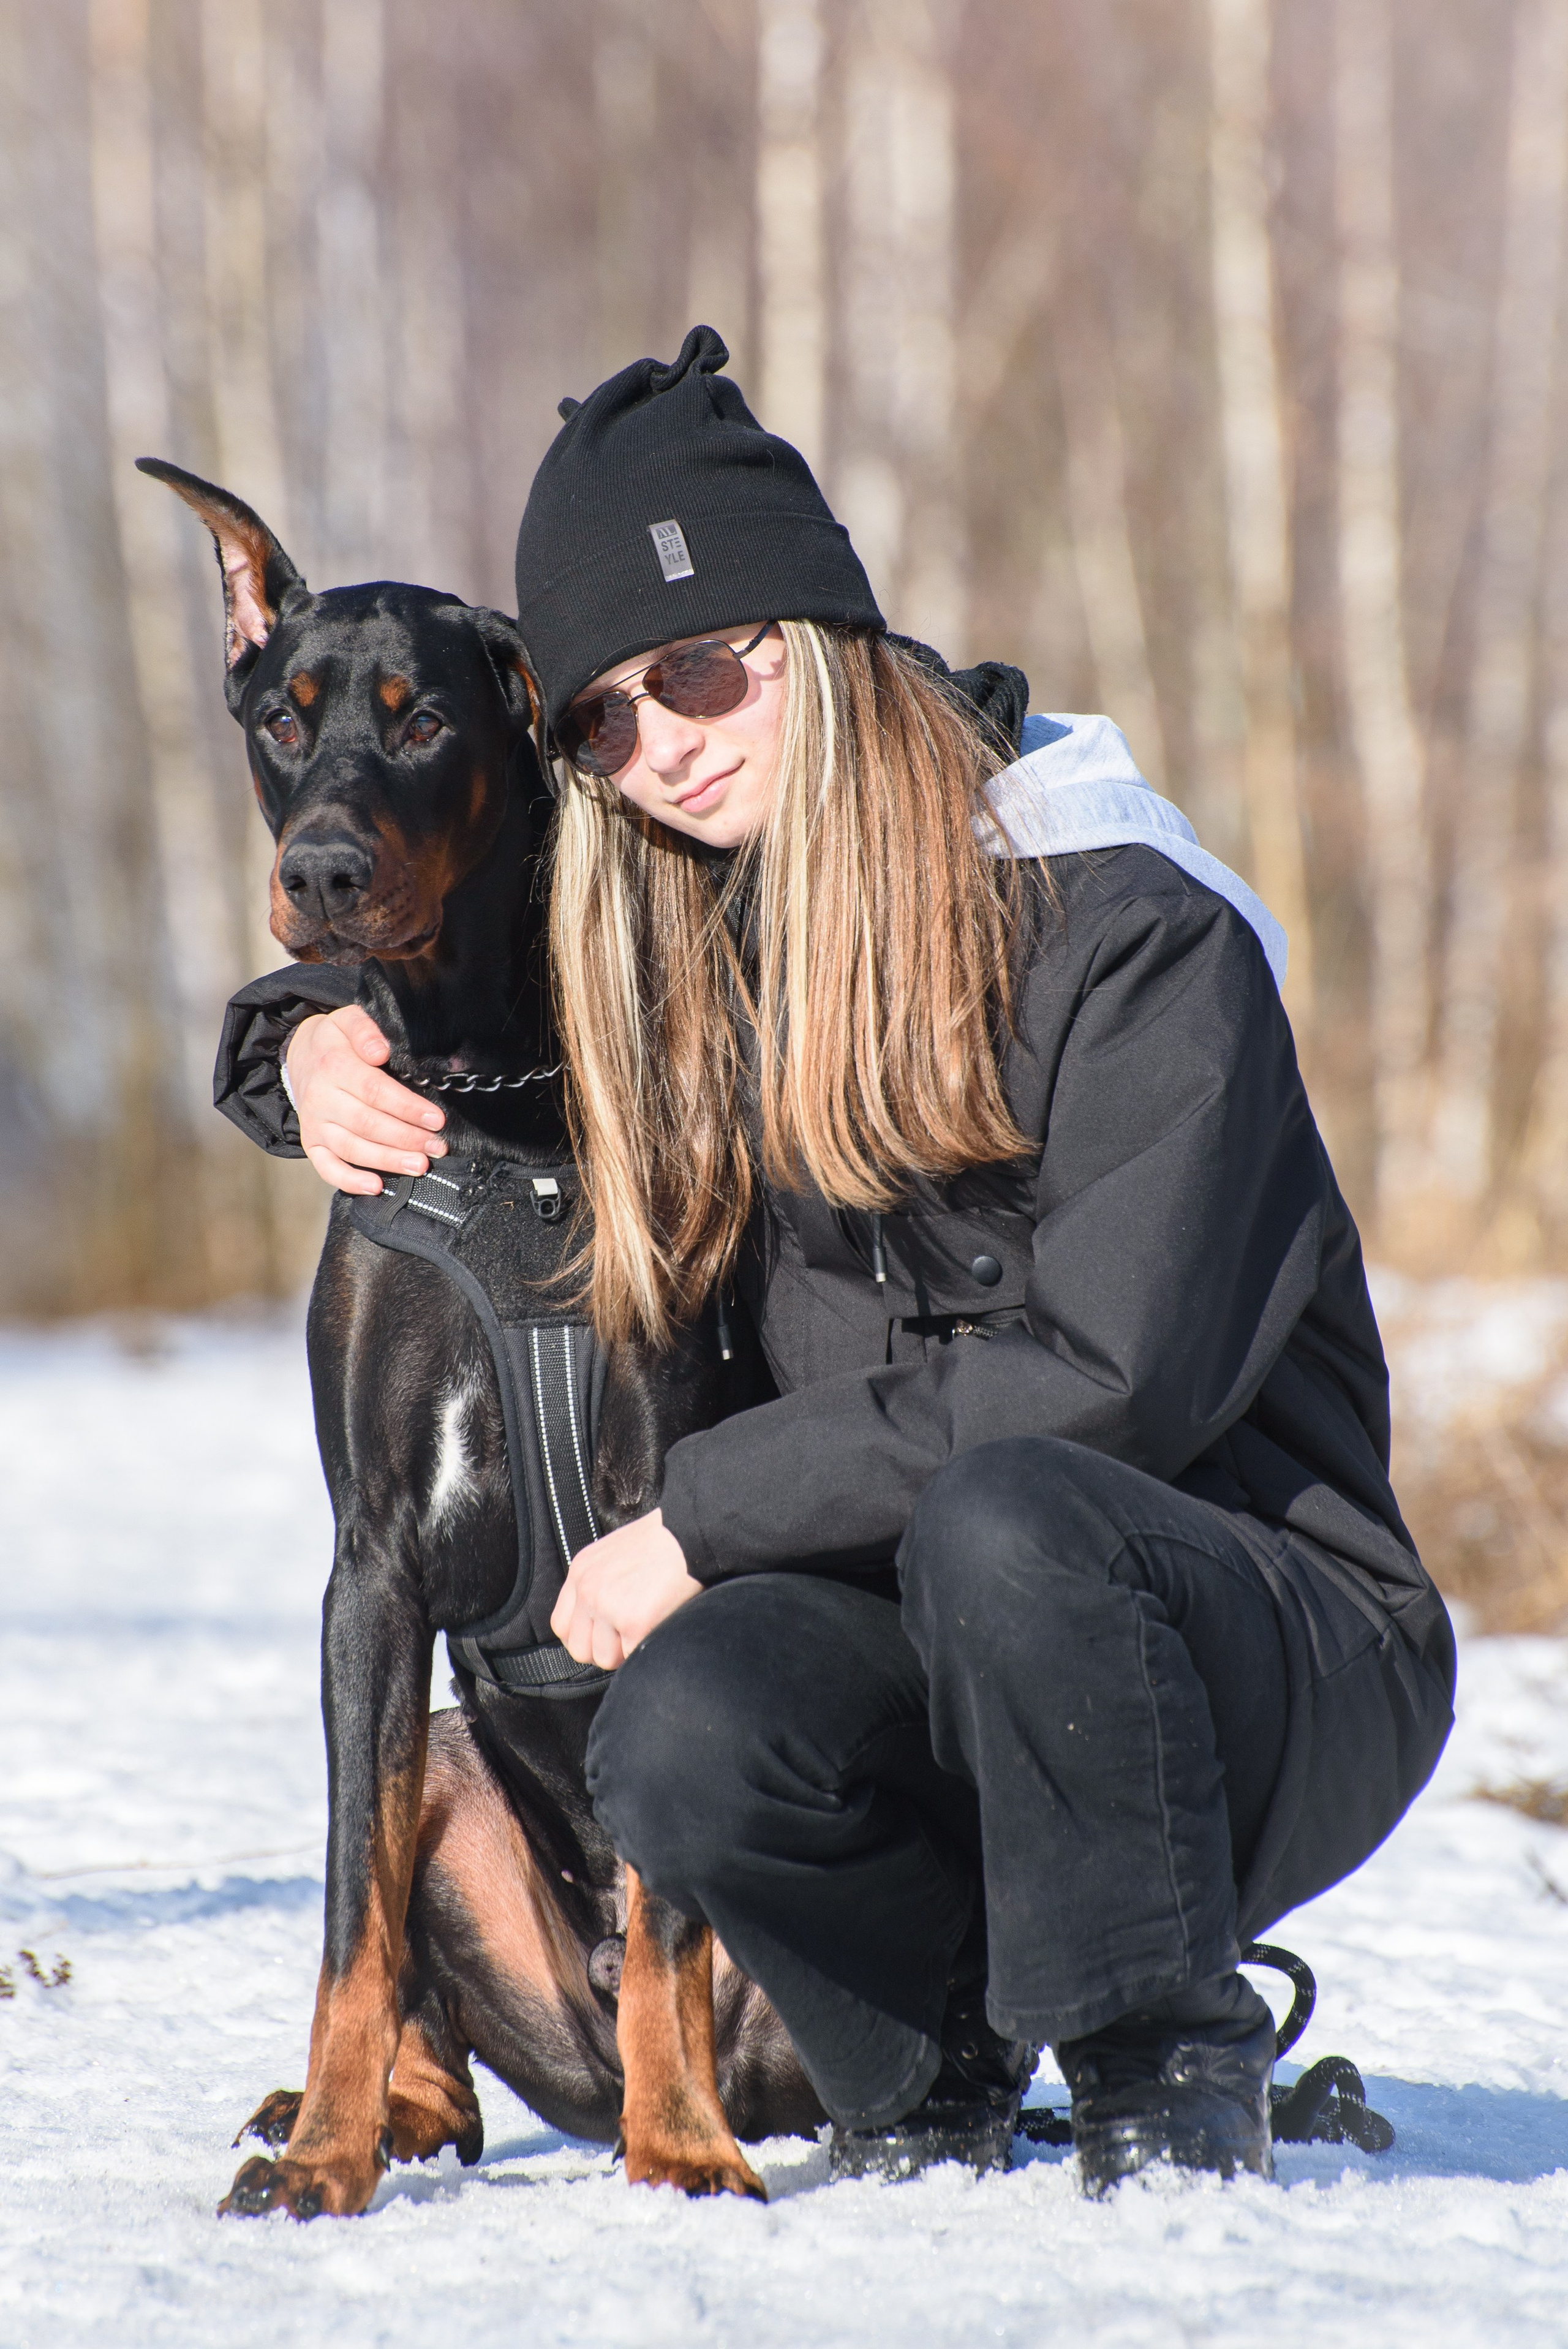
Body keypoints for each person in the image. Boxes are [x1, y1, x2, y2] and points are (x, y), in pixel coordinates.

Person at [236, 326, 1454, 2193]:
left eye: (700, 668)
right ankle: (926, 2057)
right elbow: (480, 967)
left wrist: (706, 1514)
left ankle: (1161, 2048)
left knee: (1007, 1513)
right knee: (689, 1715)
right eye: (604, 721)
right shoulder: (711, 928)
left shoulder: (1129, 930)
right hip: (953, 1644)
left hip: (1260, 1644)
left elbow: (1110, 1378)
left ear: (819, 636)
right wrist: (298, 1036)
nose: (665, 743)